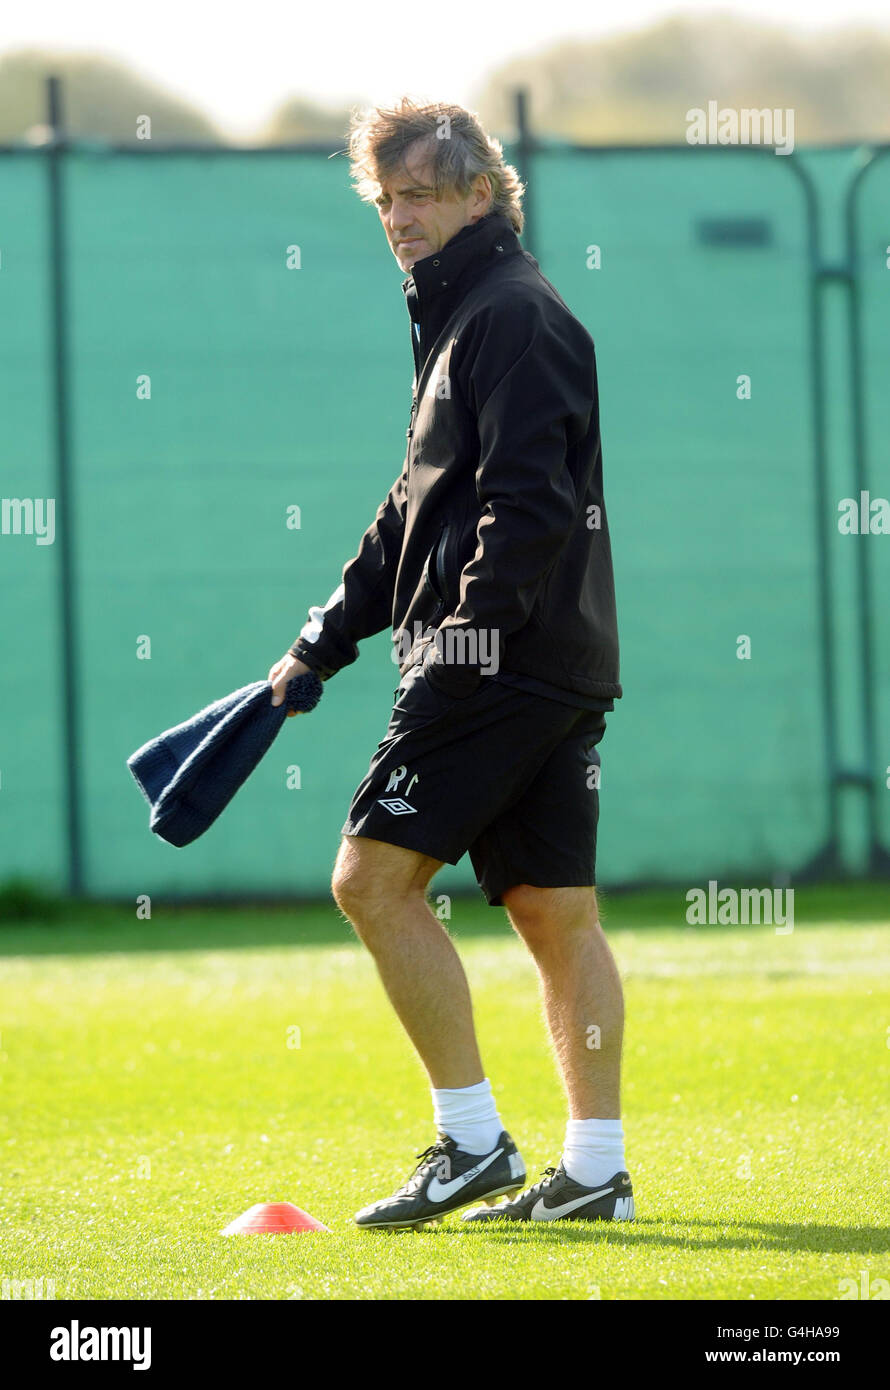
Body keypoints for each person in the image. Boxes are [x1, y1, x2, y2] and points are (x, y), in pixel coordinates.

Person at [268, 98, 632, 1229]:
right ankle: (594, 1172)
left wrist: (461, 648)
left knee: (369, 880)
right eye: (386, 198)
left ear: (482, 193)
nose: (401, 217)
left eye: (421, 193)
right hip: (546, 661)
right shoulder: (464, 313)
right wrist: (321, 640)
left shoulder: (511, 317)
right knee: (550, 910)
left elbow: (526, 508)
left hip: (499, 663)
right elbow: (414, 512)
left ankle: (471, 1143)